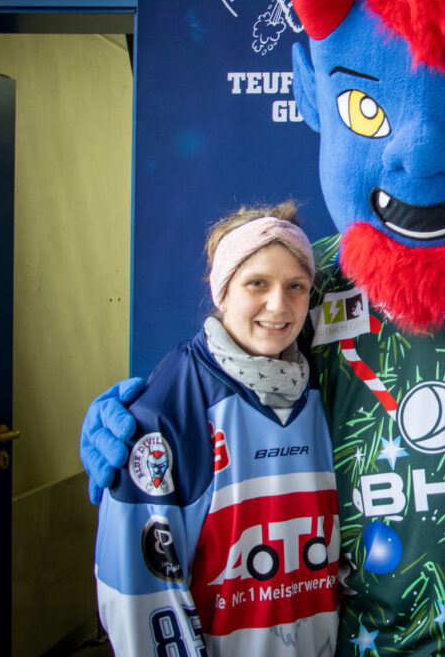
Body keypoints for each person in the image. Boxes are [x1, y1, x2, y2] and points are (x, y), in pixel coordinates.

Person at [81, 0, 445, 656]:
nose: (421, 158)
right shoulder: (304, 280)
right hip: (367, 638)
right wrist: (143, 431)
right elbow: (218, 386)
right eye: (367, 109)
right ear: (311, 93)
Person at [93, 202, 341, 655]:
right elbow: (137, 595)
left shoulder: (321, 389)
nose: (278, 305)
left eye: (296, 286)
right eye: (257, 283)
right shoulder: (164, 414)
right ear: (221, 290)